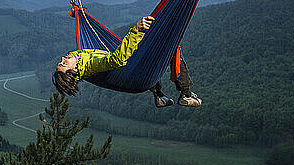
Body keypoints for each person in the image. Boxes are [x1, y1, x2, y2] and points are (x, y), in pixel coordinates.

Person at [52, 16, 202, 107]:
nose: (63, 58)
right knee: (168, 47)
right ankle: (185, 94)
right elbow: (117, 59)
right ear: (74, 70)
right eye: (64, 63)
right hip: (136, 76)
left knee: (148, 54)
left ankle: (159, 96)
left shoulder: (80, 59)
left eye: (61, 61)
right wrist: (136, 30)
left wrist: (79, 14)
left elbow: (83, 54)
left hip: (135, 74)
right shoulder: (91, 66)